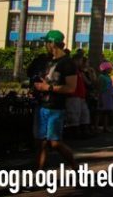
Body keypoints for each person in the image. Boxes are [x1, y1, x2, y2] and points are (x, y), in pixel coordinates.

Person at [33, 30, 78, 170]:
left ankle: (76, 168)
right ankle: (38, 176)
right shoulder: (48, 60)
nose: (45, 45)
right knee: (41, 143)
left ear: (52, 43)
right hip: (42, 105)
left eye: (47, 42)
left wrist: (48, 88)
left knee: (55, 143)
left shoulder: (67, 63)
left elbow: (71, 88)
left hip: (55, 108)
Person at [96, 61, 113, 133]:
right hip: (103, 96)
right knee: (99, 112)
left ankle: (105, 127)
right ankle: (96, 127)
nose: (111, 70)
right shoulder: (101, 77)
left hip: (108, 96)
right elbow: (99, 88)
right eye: (110, 68)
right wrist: (100, 99)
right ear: (105, 69)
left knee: (106, 112)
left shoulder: (108, 76)